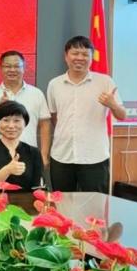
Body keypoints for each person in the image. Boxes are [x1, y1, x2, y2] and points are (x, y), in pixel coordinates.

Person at [46, 36, 126, 192]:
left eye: (85, 54)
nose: (80, 58)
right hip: (62, 155)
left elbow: (122, 115)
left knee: (96, 203)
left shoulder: (105, 82)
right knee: (63, 202)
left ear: (91, 57)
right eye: (75, 53)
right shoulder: (54, 84)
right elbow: (54, 117)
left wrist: (113, 104)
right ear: (66, 56)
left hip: (94, 156)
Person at [0, 51, 51, 164]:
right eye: (7, 66)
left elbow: (45, 125)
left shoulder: (36, 93)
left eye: (17, 66)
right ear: (0, 68)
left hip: (29, 154)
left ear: (24, 68)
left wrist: (44, 155)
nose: (12, 70)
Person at [0, 101, 43, 190]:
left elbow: (37, 187)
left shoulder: (34, 152)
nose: (11, 126)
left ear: (25, 124)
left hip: (26, 198)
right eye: (6, 120)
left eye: (16, 121)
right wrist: (7, 170)